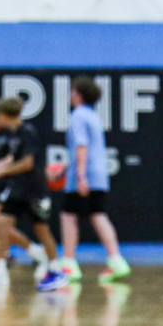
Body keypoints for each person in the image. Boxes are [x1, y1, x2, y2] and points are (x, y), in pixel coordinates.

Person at [0, 97, 67, 291]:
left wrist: (1, 171)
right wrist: (0, 166)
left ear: (5, 116)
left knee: (42, 229)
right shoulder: (14, 134)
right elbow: (12, 158)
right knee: (0, 223)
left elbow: (27, 163)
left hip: (34, 189)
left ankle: (55, 269)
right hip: (17, 189)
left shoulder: (27, 133)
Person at [57, 75, 130, 283]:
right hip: (98, 174)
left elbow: (82, 146)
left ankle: (69, 263)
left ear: (77, 95)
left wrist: (79, 176)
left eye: (72, 91)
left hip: (84, 175)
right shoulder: (92, 116)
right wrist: (66, 167)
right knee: (98, 214)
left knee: (68, 216)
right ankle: (116, 260)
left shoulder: (78, 116)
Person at [0, 102, 47, 271]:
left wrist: (0, 170)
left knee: (1, 224)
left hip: (2, 185)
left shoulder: (14, 133)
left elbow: (17, 159)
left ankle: (31, 252)